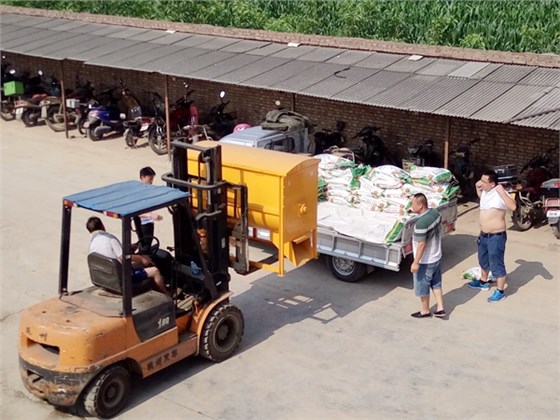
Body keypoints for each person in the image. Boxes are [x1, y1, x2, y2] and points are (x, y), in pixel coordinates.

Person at [468, 170, 516, 302]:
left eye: (484, 181)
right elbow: (479, 191)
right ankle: (483, 282)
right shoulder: (485, 192)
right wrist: (478, 185)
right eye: (481, 180)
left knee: (496, 263)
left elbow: (513, 207)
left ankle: (500, 291)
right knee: (483, 259)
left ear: (493, 184)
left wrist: (501, 192)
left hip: (496, 236)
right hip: (483, 235)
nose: (481, 183)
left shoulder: (500, 194)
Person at [86, 216, 168, 294]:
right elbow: (123, 257)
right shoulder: (110, 238)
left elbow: (114, 253)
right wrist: (142, 258)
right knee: (155, 271)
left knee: (137, 264)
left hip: (107, 275)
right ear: (102, 226)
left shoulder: (92, 242)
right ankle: (168, 296)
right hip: (123, 278)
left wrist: (129, 249)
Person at [410, 193, 445, 318]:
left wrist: (416, 262)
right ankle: (440, 308)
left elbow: (421, 244)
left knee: (422, 286)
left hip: (426, 261)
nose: (411, 206)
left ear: (420, 205)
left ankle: (425, 310)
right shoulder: (435, 213)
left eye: (413, 204)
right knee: (436, 283)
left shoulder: (421, 223)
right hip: (437, 256)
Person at [138, 166, 163, 253]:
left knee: (147, 246)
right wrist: (151, 215)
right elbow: (136, 212)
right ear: (142, 177)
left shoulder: (147, 190)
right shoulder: (138, 192)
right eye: (150, 179)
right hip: (144, 224)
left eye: (152, 179)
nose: (152, 182)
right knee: (146, 247)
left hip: (148, 223)